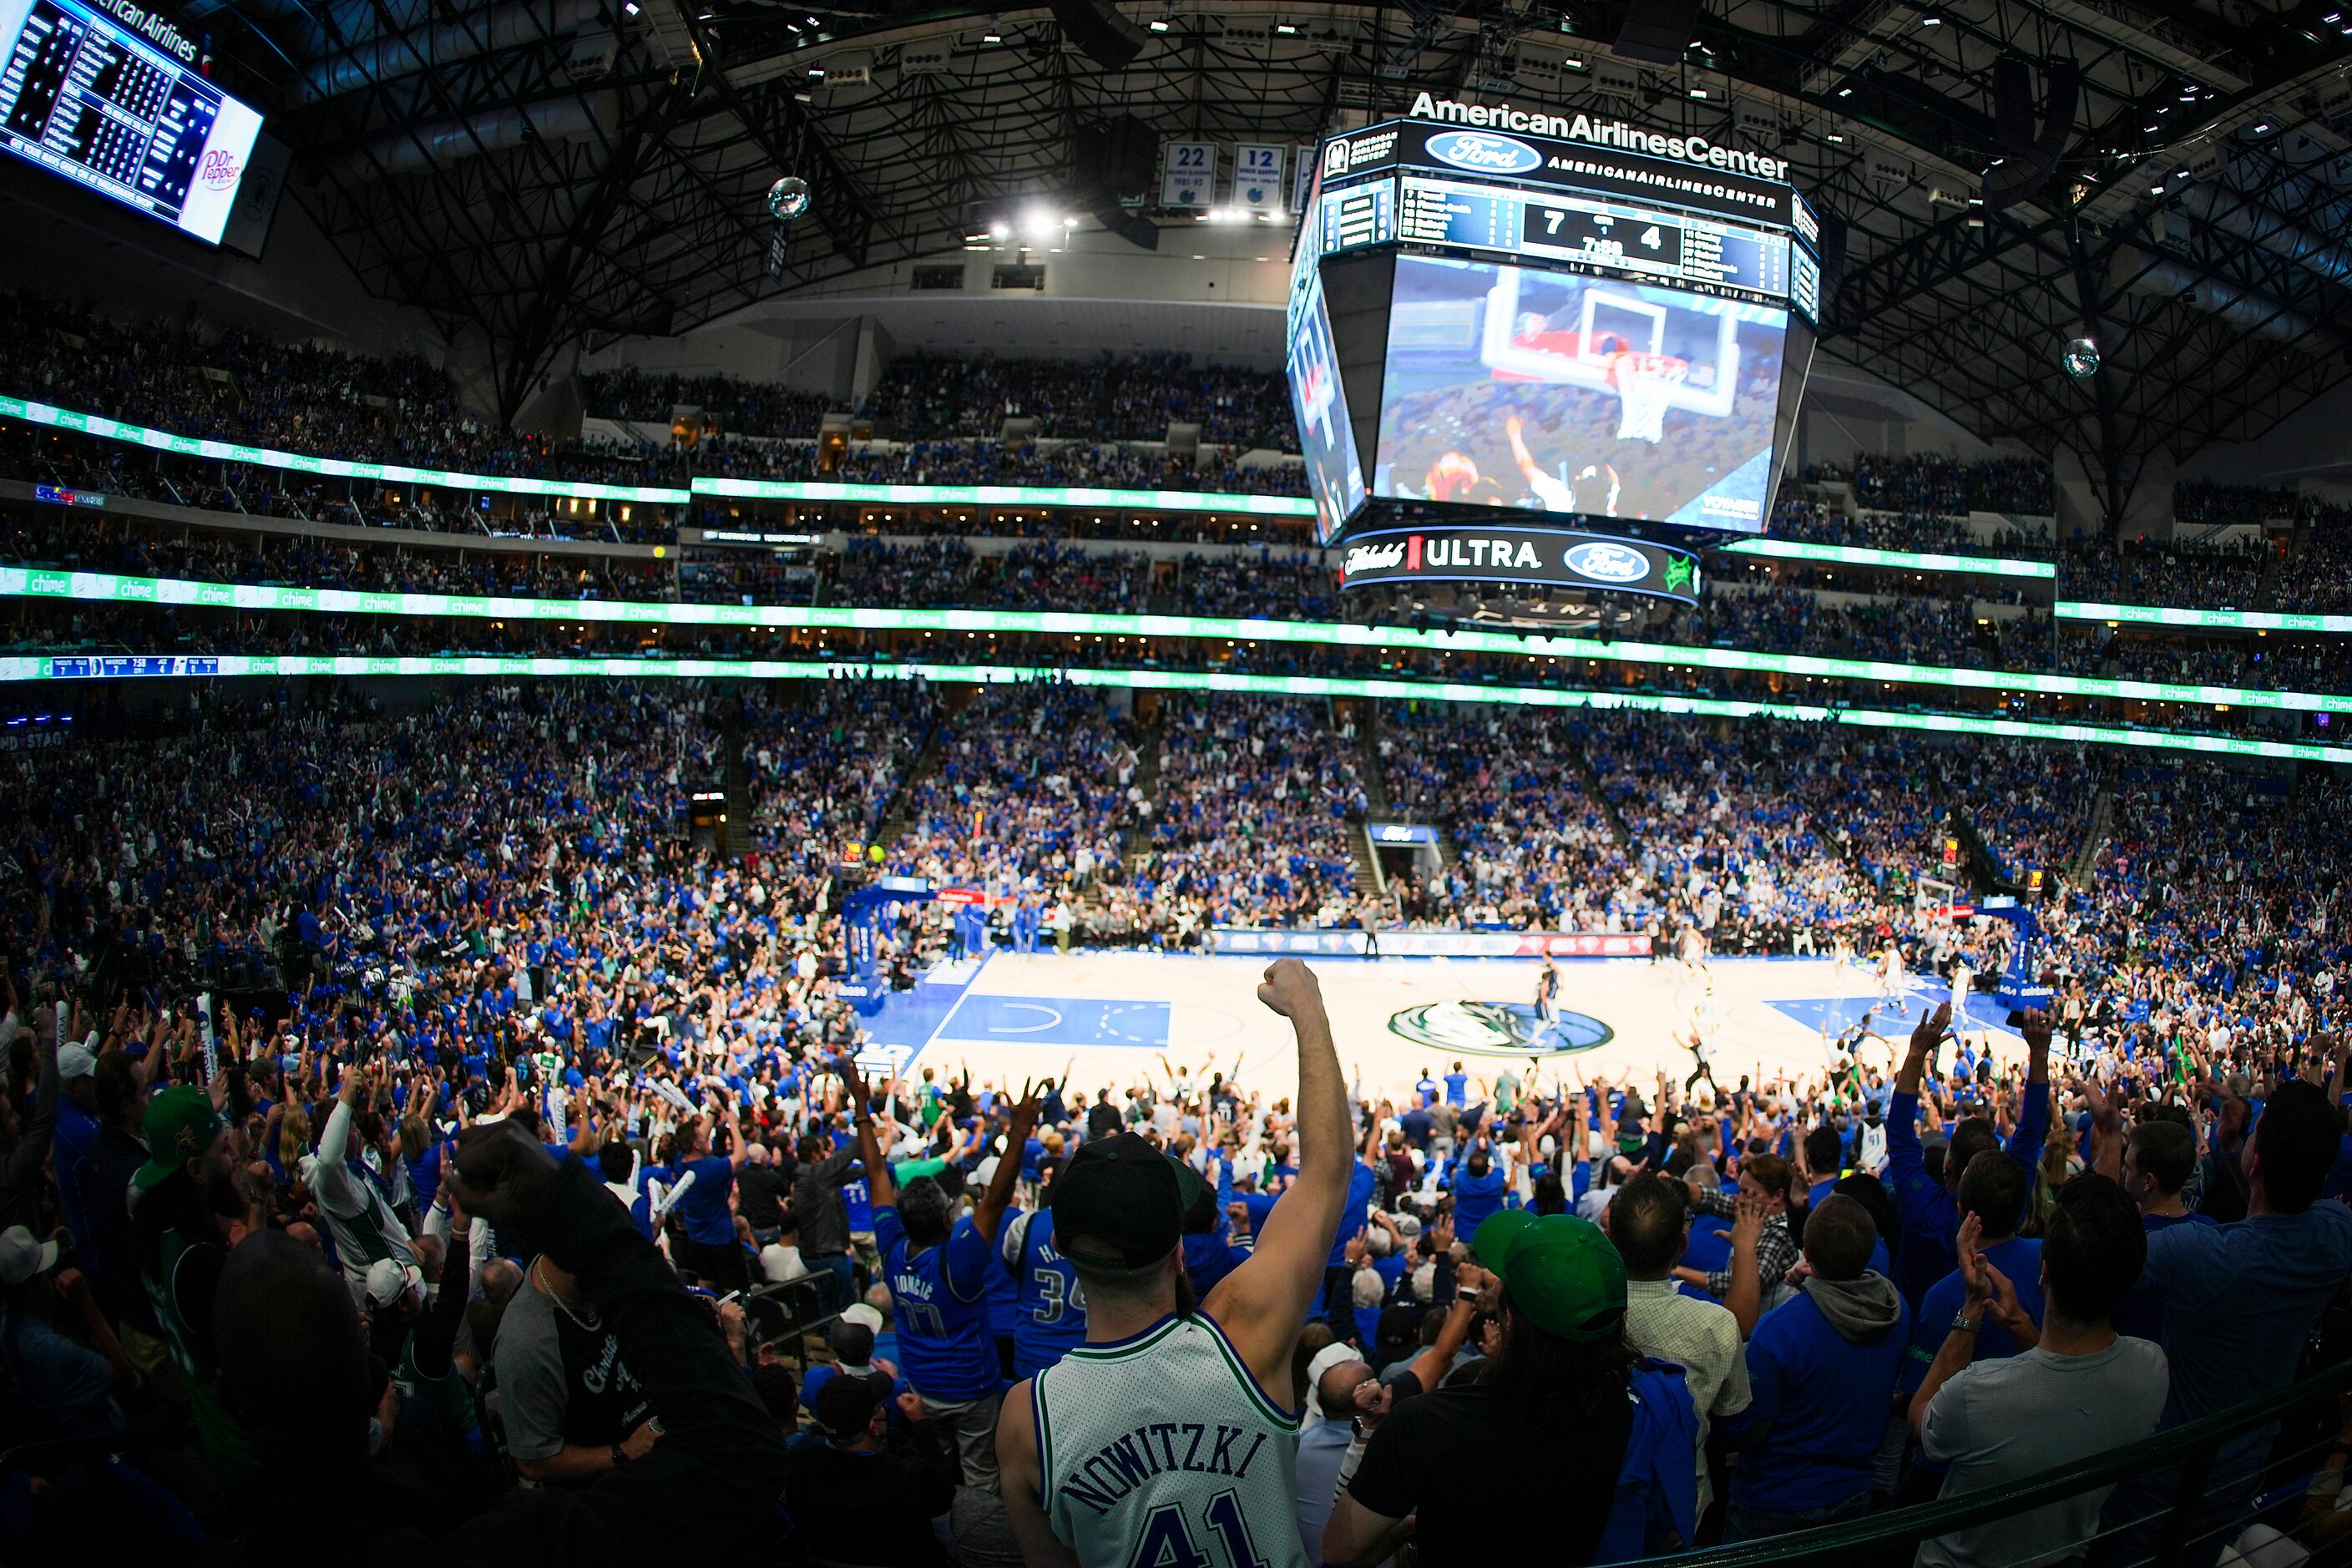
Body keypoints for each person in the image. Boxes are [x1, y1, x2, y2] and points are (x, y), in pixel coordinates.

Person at [996, 959, 1352, 1568]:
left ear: (1056, 1245)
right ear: (1178, 1251)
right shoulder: (1244, 1337)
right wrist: (1307, 1011)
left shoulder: (1028, 1419)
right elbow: (1326, 1171)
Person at [1323, 1211, 1698, 1565]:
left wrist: (1410, 1526)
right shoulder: (1655, 1413)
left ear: (1510, 1323)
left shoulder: (1425, 1424)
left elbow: (1340, 1551)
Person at [2092, 1078, 2352, 1566]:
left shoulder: (2203, 1254)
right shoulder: (2334, 1236)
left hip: (2165, 1475)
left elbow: (2097, 1248)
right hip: (2245, 1465)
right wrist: (2223, 1153)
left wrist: (2109, 1145)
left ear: (2256, 1162)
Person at [1909, 1174, 2166, 1568]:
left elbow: (1922, 1416)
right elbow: (2064, 1382)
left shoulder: (1978, 1393)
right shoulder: (2151, 1369)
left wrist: (1973, 1308)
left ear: (2044, 1272)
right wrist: (2022, 1328)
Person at [848, 1065, 1039, 1494]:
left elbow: (877, 1174)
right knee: (982, 1476)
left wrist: (862, 1109)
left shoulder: (893, 1251)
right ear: (944, 1217)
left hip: (922, 1384)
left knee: (935, 1465)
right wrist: (1021, 1129)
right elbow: (997, 1200)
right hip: (970, 1387)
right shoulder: (960, 1260)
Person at [1725, 1193, 1909, 1541]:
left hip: (1772, 1503)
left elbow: (1753, 1428)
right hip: (1854, 1496)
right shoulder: (1897, 1312)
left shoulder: (1778, 1331)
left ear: (1805, 1254)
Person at [1609, 1172, 1755, 1522]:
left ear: (1611, 1241)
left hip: (1597, 1502)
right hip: (1681, 1507)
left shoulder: (1575, 1312)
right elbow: (1736, 1423)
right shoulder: (1716, 1325)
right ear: (1682, 1246)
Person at [1884, 1003, 2048, 1308]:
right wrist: (2040, 1055)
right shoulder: (2013, 1195)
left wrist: (1917, 1051)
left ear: (1948, 1164)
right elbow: (2030, 1134)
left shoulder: (1924, 1210)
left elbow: (1898, 1134)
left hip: (1922, 1330)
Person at [491, 1242, 658, 1485]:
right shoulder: (525, 1344)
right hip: (611, 1488)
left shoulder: (600, 1279)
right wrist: (624, 1451)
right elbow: (535, 1462)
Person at [785, 1368, 961, 1567]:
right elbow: (944, 1493)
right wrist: (921, 1424)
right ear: (872, 1427)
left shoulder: (797, 1464)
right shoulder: (907, 1476)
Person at [668, 1108, 749, 1294]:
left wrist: (712, 1113)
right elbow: (740, 1156)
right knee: (732, 1287)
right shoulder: (710, 1168)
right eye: (702, 1138)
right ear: (697, 1145)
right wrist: (733, 1124)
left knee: (706, 1279)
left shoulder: (681, 1163)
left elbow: (696, 1138)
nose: (707, 1139)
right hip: (721, 1239)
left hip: (697, 1237)